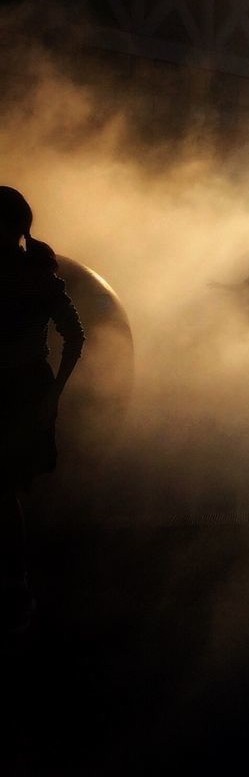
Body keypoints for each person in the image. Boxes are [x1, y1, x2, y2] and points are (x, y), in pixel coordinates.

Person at [0, 187, 85, 632]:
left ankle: (16, 583)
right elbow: (74, 337)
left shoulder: (37, 278)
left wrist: (52, 396)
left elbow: (75, 336)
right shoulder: (36, 276)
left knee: (3, 489)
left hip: (18, 392)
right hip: (21, 390)